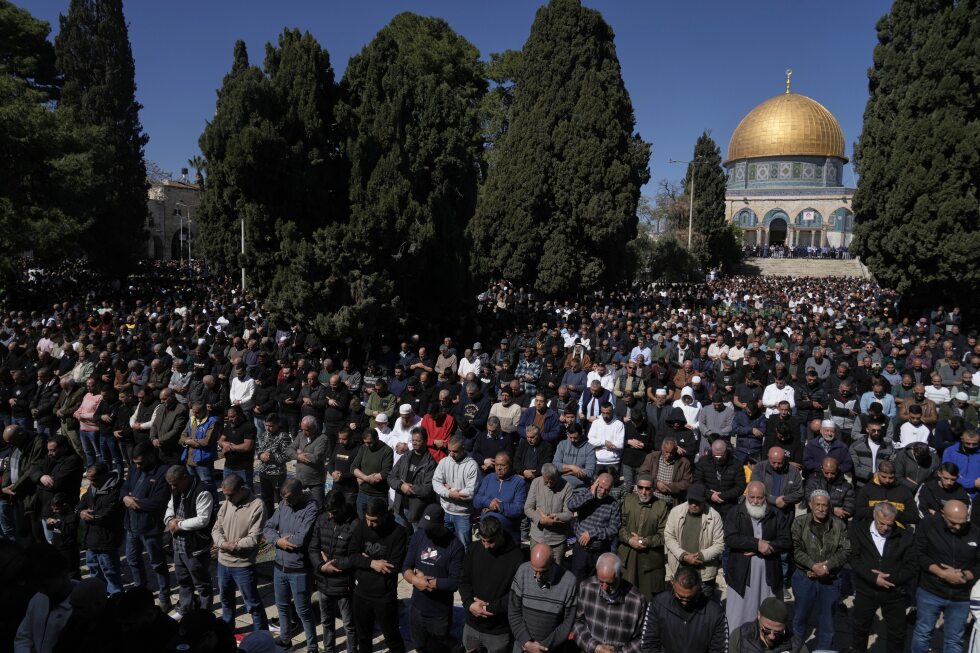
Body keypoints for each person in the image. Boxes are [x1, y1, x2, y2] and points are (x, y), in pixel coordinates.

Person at [910, 499, 980, 653]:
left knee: (954, 639)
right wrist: (942, 573)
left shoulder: (975, 532)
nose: (958, 527)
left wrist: (965, 575)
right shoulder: (928, 525)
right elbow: (918, 554)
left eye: (962, 523)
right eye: (953, 523)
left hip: (961, 596)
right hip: (931, 591)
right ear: (943, 514)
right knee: (922, 633)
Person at [849, 501, 918, 653]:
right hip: (866, 589)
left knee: (897, 633)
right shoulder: (859, 531)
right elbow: (854, 559)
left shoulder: (905, 536)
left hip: (893, 592)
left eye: (890, 524)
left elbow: (912, 566)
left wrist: (892, 578)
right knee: (860, 628)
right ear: (874, 516)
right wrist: (873, 578)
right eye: (881, 523)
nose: (885, 528)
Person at [725, 480, 792, 634]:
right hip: (742, 575)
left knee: (768, 611)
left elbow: (786, 541)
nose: (755, 501)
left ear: (765, 497)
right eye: (752, 497)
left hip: (768, 573)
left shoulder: (776, 514)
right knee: (739, 615)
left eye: (759, 498)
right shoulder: (735, 513)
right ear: (747, 496)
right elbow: (730, 538)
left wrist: (765, 547)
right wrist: (756, 544)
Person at [789, 489, 850, 651]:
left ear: (829, 506)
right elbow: (795, 549)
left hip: (830, 579)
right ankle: (796, 648)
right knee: (800, 617)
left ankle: (824, 650)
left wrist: (826, 566)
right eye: (817, 504)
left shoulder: (839, 525)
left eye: (824, 505)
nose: (821, 508)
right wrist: (812, 566)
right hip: (804, 577)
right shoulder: (799, 522)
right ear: (810, 505)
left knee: (827, 621)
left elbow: (845, 551)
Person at [264, 477, 319, 651]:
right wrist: (278, 541)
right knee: (282, 605)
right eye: (283, 499)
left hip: (299, 569)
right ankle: (285, 638)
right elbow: (268, 527)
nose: (285, 502)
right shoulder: (283, 505)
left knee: (303, 610)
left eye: (288, 498)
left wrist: (280, 539)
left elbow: (300, 539)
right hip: (280, 566)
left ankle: (312, 646)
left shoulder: (311, 509)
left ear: (299, 494)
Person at [402, 503, 465, 653]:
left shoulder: (455, 546)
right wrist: (415, 580)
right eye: (425, 526)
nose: (427, 531)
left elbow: (455, 582)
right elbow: (406, 567)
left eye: (431, 528)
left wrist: (432, 583)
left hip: (439, 613)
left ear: (441, 524)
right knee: (420, 647)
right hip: (416, 607)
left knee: (438, 648)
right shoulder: (419, 535)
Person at [348, 497, 408, 653]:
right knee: (363, 638)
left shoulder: (398, 533)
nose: (369, 524)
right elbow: (352, 555)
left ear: (384, 516)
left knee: (392, 638)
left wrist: (365, 558)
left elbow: (392, 567)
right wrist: (372, 563)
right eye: (367, 519)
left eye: (373, 521)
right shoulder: (362, 526)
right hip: (361, 593)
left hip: (384, 596)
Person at [121, 441, 172, 611]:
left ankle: (165, 596)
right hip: (131, 525)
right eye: (135, 463)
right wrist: (125, 499)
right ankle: (140, 591)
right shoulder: (135, 469)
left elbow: (158, 501)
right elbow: (124, 488)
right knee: (133, 560)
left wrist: (137, 504)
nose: (138, 466)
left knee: (157, 563)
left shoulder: (162, 472)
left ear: (151, 456)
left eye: (141, 462)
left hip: (150, 527)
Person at [459, 517, 523, 653]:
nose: (486, 546)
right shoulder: (474, 549)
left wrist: (489, 608)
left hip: (498, 632)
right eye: (483, 541)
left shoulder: (517, 557)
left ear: (500, 534)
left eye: (491, 541)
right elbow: (464, 580)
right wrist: (469, 603)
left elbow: (515, 595)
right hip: (471, 625)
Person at [212, 473, 266, 632]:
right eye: (225, 495)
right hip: (223, 562)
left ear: (242, 489)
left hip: (243, 565)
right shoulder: (227, 503)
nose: (227, 499)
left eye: (230, 495)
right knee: (226, 600)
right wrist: (222, 543)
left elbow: (254, 538)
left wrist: (232, 546)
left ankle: (261, 635)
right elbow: (216, 528)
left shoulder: (257, 505)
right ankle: (228, 630)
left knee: (252, 604)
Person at [309, 489, 359, 653]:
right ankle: (329, 650)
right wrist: (321, 566)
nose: (331, 515)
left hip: (343, 584)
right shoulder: (322, 519)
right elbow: (313, 548)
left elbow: (356, 556)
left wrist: (335, 564)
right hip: (323, 582)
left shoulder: (354, 524)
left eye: (334, 512)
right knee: (326, 621)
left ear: (342, 507)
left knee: (349, 625)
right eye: (329, 512)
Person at [164, 464, 214, 620]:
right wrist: (170, 520)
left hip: (195, 547)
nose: (173, 487)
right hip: (179, 545)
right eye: (171, 484)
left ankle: (204, 613)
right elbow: (170, 507)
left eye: (175, 483)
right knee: (183, 580)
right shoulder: (177, 489)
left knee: (202, 584)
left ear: (185, 477)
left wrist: (178, 525)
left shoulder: (202, 491)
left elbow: (202, 520)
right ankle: (185, 608)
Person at [508, 542, 578, 653]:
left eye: (543, 572)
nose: (537, 577)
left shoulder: (569, 582)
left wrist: (542, 648)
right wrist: (526, 642)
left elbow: (568, 622)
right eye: (534, 570)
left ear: (553, 562)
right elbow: (513, 611)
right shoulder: (522, 571)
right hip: (522, 646)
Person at [640, 566, 728, 653]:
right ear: (672, 583)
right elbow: (649, 644)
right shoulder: (658, 604)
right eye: (680, 597)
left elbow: (719, 648)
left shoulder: (715, 613)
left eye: (690, 598)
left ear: (699, 586)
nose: (684, 602)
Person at [571, 553, 646, 653]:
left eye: (610, 583)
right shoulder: (587, 587)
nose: (605, 588)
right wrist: (595, 647)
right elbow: (577, 623)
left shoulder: (637, 600)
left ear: (620, 576)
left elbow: (644, 636)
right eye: (600, 581)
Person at [663, 483, 725, 598]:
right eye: (690, 501)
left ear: (704, 501)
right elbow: (668, 536)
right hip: (680, 569)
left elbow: (719, 544)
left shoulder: (714, 516)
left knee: (703, 607)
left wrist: (700, 556)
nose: (693, 505)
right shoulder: (676, 512)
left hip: (704, 574)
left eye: (697, 502)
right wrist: (683, 555)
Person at [617, 473, 668, 599]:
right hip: (628, 557)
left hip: (650, 560)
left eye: (647, 488)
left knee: (648, 596)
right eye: (640, 488)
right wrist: (629, 539)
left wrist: (644, 541)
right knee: (626, 595)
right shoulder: (628, 501)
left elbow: (664, 535)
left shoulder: (662, 506)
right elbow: (619, 526)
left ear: (654, 489)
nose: (643, 492)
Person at [78, 462, 124, 595]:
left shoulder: (115, 490)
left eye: (94, 480)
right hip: (91, 539)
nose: (91, 483)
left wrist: (90, 517)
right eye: (89, 480)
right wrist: (81, 512)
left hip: (106, 540)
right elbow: (80, 505)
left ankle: (116, 598)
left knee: (110, 572)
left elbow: (108, 514)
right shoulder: (92, 488)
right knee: (94, 569)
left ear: (104, 476)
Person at [568, 472, 621, 581]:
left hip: (599, 550)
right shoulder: (586, 494)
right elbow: (571, 505)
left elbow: (614, 528)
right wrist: (590, 494)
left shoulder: (612, 504)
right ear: (596, 483)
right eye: (600, 487)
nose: (602, 491)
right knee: (577, 581)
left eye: (607, 489)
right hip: (581, 550)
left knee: (596, 582)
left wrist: (592, 533)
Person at [432, 435, 478, 550]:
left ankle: (464, 567)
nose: (452, 454)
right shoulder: (444, 462)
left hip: (463, 514)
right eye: (450, 450)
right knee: (445, 544)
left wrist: (448, 489)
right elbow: (436, 482)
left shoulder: (472, 465)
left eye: (455, 451)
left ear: (463, 448)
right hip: (445, 511)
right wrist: (451, 493)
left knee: (464, 546)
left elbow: (470, 493)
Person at [388, 427, 437, 529]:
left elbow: (428, 488)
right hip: (400, 508)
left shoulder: (430, 463)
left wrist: (409, 489)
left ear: (425, 441)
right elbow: (391, 476)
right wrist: (401, 486)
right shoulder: (405, 457)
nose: (414, 443)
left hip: (417, 511)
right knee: (401, 538)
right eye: (413, 440)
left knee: (416, 539)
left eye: (418, 441)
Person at [473, 452, 527, 543]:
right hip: (487, 537)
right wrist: (488, 502)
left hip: (508, 537)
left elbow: (519, 509)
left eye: (502, 465)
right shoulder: (488, 479)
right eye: (497, 465)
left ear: (510, 465)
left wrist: (499, 506)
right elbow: (476, 501)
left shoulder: (519, 483)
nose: (499, 468)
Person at [524, 462, 573, 562]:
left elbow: (569, 514)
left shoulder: (567, 487)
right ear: (542, 476)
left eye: (552, 481)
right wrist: (541, 519)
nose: (549, 484)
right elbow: (528, 508)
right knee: (536, 566)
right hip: (537, 537)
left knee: (556, 569)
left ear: (557, 476)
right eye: (546, 482)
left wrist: (553, 517)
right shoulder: (536, 483)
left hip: (557, 540)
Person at [854, 459, 919, 526]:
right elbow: (859, 512)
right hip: (872, 531)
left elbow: (914, 517)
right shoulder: (867, 489)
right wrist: (877, 509)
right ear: (878, 472)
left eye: (891, 477)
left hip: (898, 532)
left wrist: (894, 513)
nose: (887, 480)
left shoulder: (904, 491)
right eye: (884, 477)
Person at [694, 439, 746, 519]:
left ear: (726, 452)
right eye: (715, 456)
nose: (718, 458)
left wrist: (722, 495)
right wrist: (710, 495)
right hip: (708, 505)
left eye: (721, 456)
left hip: (729, 506)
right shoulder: (703, 462)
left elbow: (740, 486)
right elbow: (698, 482)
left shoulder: (736, 464)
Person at [350, 427, 394, 519]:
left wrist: (362, 478)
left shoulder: (387, 451)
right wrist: (365, 478)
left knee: (378, 523)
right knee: (361, 522)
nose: (367, 445)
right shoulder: (363, 448)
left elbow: (385, 473)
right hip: (362, 494)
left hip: (378, 496)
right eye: (365, 442)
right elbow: (353, 467)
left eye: (370, 442)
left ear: (377, 439)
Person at [287, 415, 330, 507]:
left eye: (307, 430)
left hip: (315, 481)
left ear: (314, 428)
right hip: (300, 479)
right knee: (298, 505)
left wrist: (301, 451)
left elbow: (316, 458)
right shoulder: (300, 435)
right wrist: (298, 456)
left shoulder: (322, 439)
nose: (304, 432)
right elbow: (289, 450)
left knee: (318, 506)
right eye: (302, 429)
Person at [638, 436, 693, 508]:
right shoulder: (651, 457)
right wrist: (656, 483)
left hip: (672, 503)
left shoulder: (684, 463)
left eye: (672, 453)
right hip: (652, 500)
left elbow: (687, 483)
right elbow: (643, 473)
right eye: (666, 452)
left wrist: (667, 488)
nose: (669, 455)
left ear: (676, 449)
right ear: (662, 448)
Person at [256, 412, 292, 519]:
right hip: (264, 472)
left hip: (278, 473)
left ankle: (282, 520)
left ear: (277, 424)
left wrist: (272, 457)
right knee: (266, 499)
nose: (268, 428)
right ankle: (269, 520)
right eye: (266, 425)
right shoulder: (264, 435)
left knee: (281, 499)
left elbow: (288, 456)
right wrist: (260, 455)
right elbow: (259, 449)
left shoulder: (284, 436)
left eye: (271, 426)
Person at [179, 401, 220, 495]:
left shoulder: (212, 422)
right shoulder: (192, 419)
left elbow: (206, 441)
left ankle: (214, 505)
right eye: (193, 412)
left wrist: (190, 442)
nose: (195, 414)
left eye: (197, 412)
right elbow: (183, 435)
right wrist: (186, 441)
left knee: (207, 485)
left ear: (204, 411)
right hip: (189, 459)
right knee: (194, 485)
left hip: (203, 461)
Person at [750, 446, 804, 517]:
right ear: (768, 457)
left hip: (785, 512)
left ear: (784, 459)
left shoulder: (793, 471)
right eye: (773, 462)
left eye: (779, 463)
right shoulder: (759, 468)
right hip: (763, 509)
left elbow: (799, 493)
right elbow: (754, 488)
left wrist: (785, 500)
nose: (776, 465)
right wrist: (774, 500)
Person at [728, 596, 792, 653]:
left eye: (778, 632)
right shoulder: (740, 636)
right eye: (767, 630)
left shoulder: (793, 643)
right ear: (759, 615)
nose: (772, 636)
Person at [803, 456, 855, 520]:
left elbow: (849, 510)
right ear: (822, 468)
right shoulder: (812, 482)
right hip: (814, 520)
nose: (829, 476)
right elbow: (809, 502)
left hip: (836, 523)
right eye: (826, 473)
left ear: (837, 470)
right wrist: (833, 510)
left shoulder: (846, 487)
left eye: (832, 473)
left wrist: (821, 509)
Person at [849, 419, 894, 488]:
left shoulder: (888, 447)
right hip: (861, 484)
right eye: (873, 430)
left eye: (879, 430)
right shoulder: (856, 446)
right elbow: (855, 468)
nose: (876, 433)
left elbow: (892, 464)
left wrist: (883, 476)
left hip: (882, 484)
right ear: (867, 429)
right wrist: (872, 475)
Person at [217, 405, 255, 487]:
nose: (230, 419)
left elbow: (247, 446)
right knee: (227, 491)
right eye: (229, 417)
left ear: (240, 415)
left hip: (243, 468)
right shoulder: (229, 426)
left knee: (246, 492)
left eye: (233, 417)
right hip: (228, 466)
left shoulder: (249, 426)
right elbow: (220, 441)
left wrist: (231, 447)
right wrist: (226, 444)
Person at [552, 423, 597, 489]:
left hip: (581, 487)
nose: (573, 440)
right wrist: (572, 467)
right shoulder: (562, 445)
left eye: (575, 438)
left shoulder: (589, 448)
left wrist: (566, 472)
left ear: (581, 435)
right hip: (561, 486)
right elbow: (555, 465)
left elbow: (589, 472)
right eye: (570, 437)